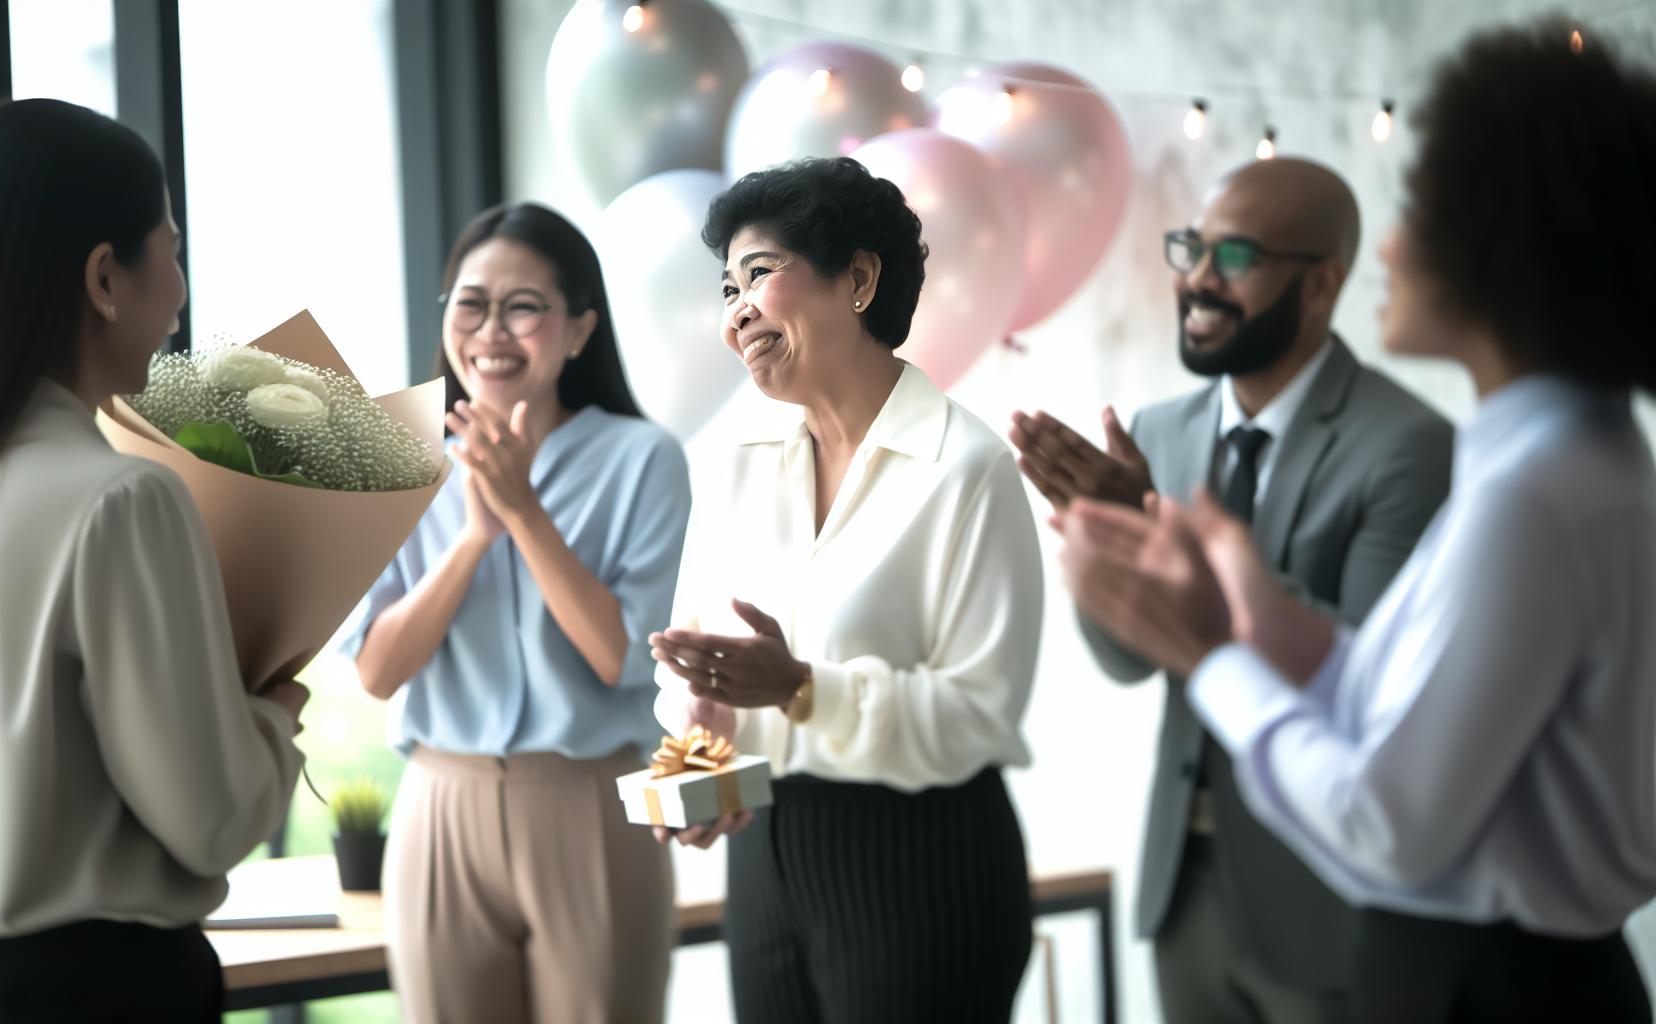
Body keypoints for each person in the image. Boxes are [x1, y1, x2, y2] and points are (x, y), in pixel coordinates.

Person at [1058, 20, 1656, 1023]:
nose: (1389, 241)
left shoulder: (1529, 493)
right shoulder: (1575, 456)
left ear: (1502, 238)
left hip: (1489, 985)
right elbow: (1406, 702)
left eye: (1417, 206)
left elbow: (1389, 820)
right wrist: (1251, 604)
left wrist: (1212, 653)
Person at [0, 99, 307, 1023]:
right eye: (169, 250)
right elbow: (212, 821)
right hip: (97, 994)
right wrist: (269, 716)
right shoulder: (120, 503)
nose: (178, 293)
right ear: (105, 276)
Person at [1011, 156, 1451, 1022]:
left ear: (1322, 284)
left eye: (1237, 259)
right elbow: (1127, 658)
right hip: (1186, 888)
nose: (1199, 282)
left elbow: (1367, 674)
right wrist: (1108, 544)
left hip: (1329, 895)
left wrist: (1151, 524)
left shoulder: (1408, 443)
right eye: (1192, 250)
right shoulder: (1157, 433)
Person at [648, 156, 1043, 1024]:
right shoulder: (735, 465)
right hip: (765, 862)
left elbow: (980, 714)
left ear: (858, 279)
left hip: (924, 860)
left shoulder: (966, 470)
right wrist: (699, 761)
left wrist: (797, 687)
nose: (736, 314)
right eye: (726, 290)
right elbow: (695, 671)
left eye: (760, 274)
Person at [342, 202, 687, 1024]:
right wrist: (472, 540)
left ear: (577, 330)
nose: (492, 330)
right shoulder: (391, 454)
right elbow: (378, 670)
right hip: (439, 803)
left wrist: (524, 513)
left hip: (590, 801)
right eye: (472, 303)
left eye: (524, 306)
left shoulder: (642, 458)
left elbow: (620, 657)